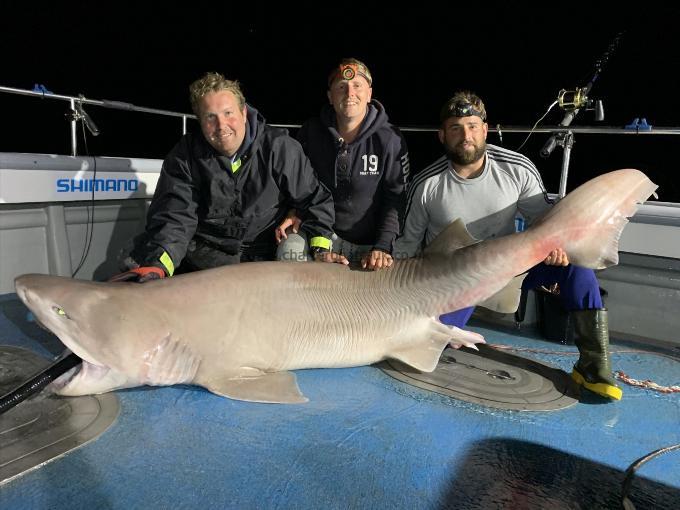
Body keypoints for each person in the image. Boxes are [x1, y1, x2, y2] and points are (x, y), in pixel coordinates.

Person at [395, 90, 622, 401]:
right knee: (423, 352)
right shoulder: (426, 184)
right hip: (453, 281)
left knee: (578, 271)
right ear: (441, 135)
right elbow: (406, 247)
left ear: (486, 130)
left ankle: (594, 368)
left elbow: (545, 224)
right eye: (456, 128)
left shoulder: (516, 168)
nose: (466, 136)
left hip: (510, 270)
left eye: (473, 126)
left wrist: (557, 251)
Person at [114, 72, 336, 281]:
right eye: (211, 117)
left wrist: (320, 249)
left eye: (228, 113)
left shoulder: (279, 148)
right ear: (200, 121)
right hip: (205, 255)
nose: (221, 126)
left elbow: (315, 200)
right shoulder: (185, 156)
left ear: (243, 113)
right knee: (140, 259)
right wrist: (157, 265)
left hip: (265, 251)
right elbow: (175, 219)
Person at [277, 58, 409, 270]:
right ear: (330, 96)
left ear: (369, 93)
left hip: (370, 242)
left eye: (357, 86)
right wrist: (295, 211)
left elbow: (395, 198)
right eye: (341, 87)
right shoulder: (310, 132)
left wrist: (383, 246)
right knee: (287, 250)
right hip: (321, 234)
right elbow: (297, 187)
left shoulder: (390, 139)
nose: (350, 93)